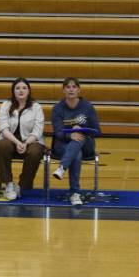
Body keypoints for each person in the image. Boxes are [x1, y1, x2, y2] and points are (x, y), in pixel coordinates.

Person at [50, 78, 101, 207]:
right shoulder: (57, 108)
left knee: (79, 138)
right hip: (62, 144)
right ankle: (75, 193)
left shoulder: (87, 107)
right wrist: (70, 134)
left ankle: (62, 167)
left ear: (79, 89)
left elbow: (97, 130)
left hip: (86, 144)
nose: (71, 89)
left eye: (73, 87)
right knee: (76, 155)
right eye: (68, 87)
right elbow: (58, 132)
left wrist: (82, 130)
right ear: (63, 90)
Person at [0, 77, 45, 201]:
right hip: (10, 139)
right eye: (17, 88)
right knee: (1, 146)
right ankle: (9, 184)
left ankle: (22, 186)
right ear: (13, 91)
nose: (21, 91)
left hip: (32, 140)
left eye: (24, 88)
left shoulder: (36, 107)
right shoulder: (6, 105)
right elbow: (3, 129)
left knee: (35, 152)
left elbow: (38, 131)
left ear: (29, 91)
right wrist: (17, 142)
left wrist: (25, 143)